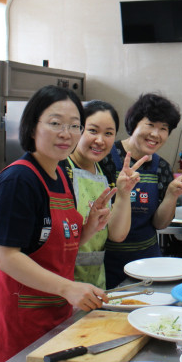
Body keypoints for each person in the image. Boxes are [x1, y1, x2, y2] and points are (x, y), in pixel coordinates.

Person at [0, 85, 109, 362]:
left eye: (74, 126)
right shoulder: (18, 180)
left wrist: (89, 228)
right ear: (32, 127)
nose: (66, 133)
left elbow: (52, 247)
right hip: (21, 310)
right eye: (55, 123)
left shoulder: (60, 174)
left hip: (56, 306)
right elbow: (5, 256)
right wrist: (68, 287)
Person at [101, 92, 182, 289]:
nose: (156, 134)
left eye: (163, 128)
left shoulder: (161, 167)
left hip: (148, 263)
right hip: (107, 262)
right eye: (150, 125)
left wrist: (172, 195)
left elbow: (160, 223)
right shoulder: (105, 158)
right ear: (134, 124)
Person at [61, 100, 147, 289]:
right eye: (92, 131)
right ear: (77, 129)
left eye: (108, 133)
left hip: (95, 281)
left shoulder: (105, 171)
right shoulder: (60, 169)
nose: (100, 140)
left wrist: (124, 193)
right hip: (62, 282)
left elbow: (117, 235)